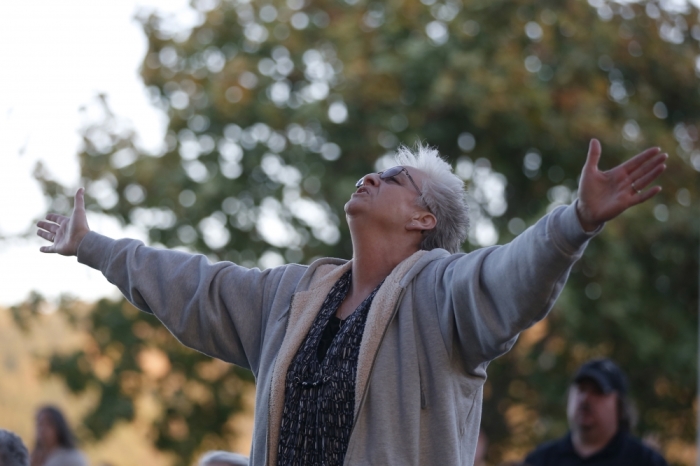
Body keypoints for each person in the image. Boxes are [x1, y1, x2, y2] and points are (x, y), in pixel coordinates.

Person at [36, 140, 665, 465]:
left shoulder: (444, 295)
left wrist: (577, 219)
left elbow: (509, 276)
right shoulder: (294, 294)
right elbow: (198, 285)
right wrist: (94, 246)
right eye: (375, 170)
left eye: (394, 178)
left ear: (424, 218)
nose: (371, 176)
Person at [524, 358, 668, 465]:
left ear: (620, 406)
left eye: (598, 391)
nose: (585, 398)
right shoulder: (541, 460)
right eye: (581, 389)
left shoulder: (645, 461)